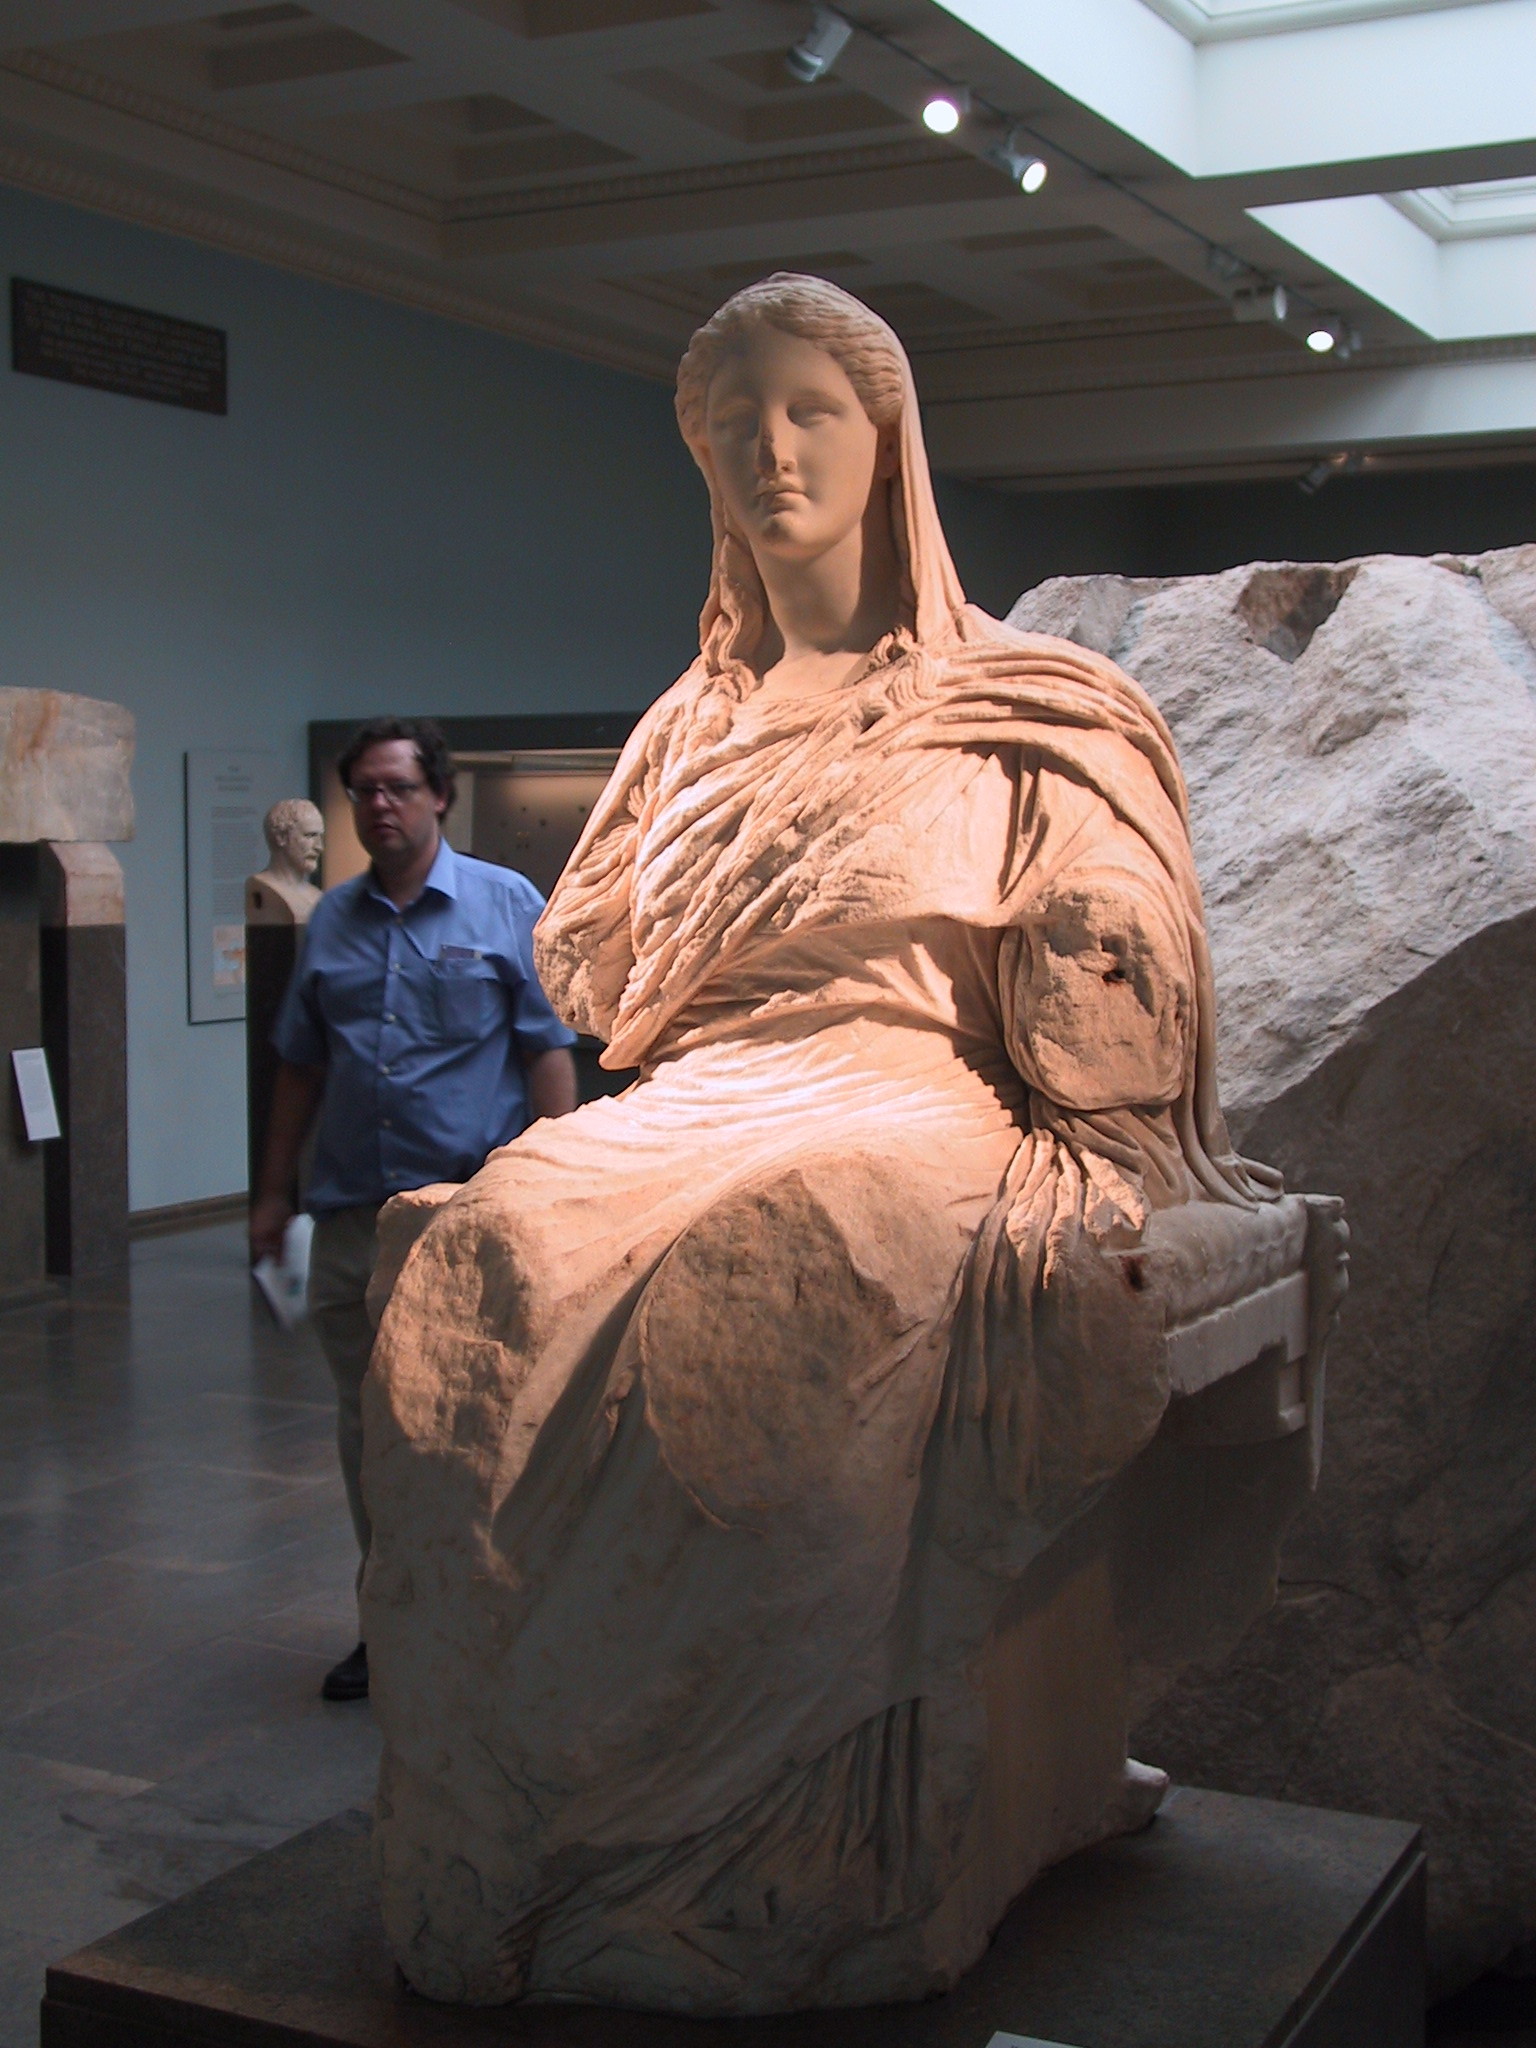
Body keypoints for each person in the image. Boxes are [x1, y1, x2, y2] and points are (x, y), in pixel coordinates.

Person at [358, 278, 1286, 2011]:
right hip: (711, 1089)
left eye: (811, 412)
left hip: (924, 1090)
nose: (772, 451)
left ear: (887, 440)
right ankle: (502, 1804)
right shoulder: (686, 728)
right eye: (736, 424)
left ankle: (778, 1842)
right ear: (702, 463)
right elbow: (602, 970)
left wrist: (1093, 923)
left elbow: (1122, 928)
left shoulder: (1031, 699)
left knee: (799, 1262)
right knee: (479, 1254)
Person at [249, 716, 578, 1703]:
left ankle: (489, 1626)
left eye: (398, 786)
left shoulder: (503, 902)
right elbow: (300, 1068)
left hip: (465, 1220)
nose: (379, 804)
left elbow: (547, 1050)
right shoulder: (333, 923)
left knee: (475, 1430)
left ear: (438, 794)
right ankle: (388, 1623)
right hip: (353, 1220)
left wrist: (558, 1186)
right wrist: (273, 1192)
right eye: (365, 789)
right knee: (369, 1436)